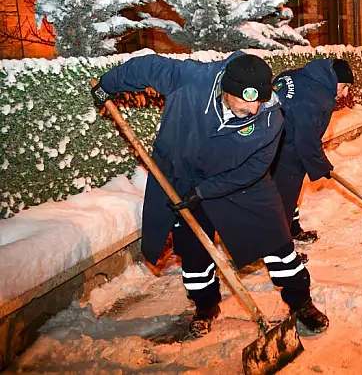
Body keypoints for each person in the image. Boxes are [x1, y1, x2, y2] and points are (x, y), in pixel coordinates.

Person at [90, 52, 329, 338]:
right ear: (226, 90)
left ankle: (301, 302)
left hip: (240, 182)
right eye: (245, 104)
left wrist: (204, 191)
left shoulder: (270, 117)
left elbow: (253, 170)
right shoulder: (191, 79)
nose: (253, 111)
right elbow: (145, 67)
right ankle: (205, 306)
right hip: (184, 173)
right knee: (191, 248)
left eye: (259, 103)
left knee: (277, 240)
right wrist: (107, 85)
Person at [270, 58, 353, 247]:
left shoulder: (295, 75)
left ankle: (291, 229)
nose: (345, 92)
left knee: (285, 197)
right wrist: (321, 166)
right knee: (282, 199)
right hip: (285, 151)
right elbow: (307, 140)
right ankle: (281, 250)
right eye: (345, 86)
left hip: (268, 143)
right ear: (333, 78)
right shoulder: (318, 99)